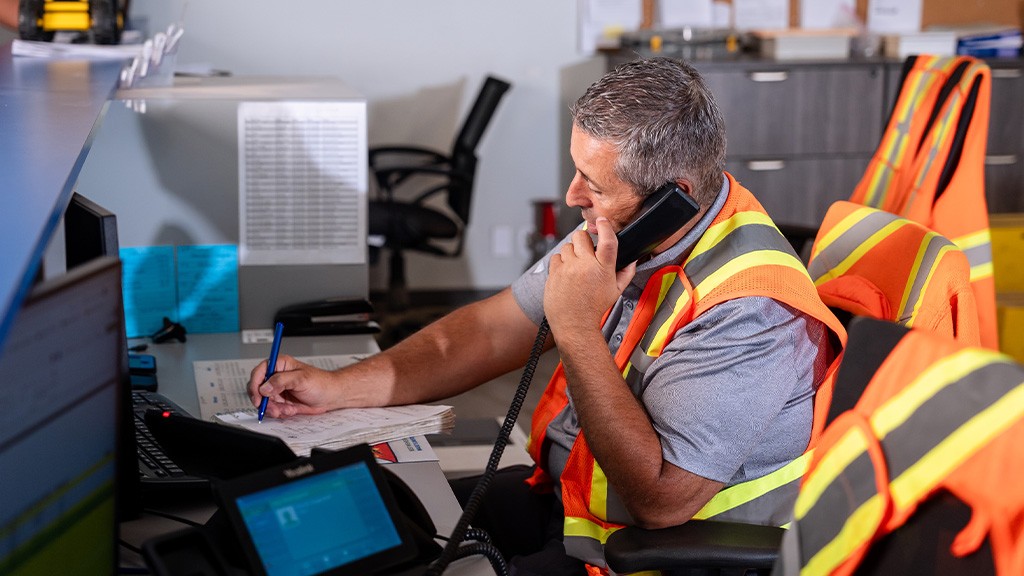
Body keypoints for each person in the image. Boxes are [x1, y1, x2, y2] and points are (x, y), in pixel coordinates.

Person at [248, 57, 845, 575]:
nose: (572, 196)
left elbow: (662, 502)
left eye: (593, 183)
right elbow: (487, 332)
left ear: (675, 195)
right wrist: (336, 388)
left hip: (648, 556)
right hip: (566, 501)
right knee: (366, 520)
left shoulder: (750, 308)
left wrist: (577, 328)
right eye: (577, 168)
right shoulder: (623, 232)